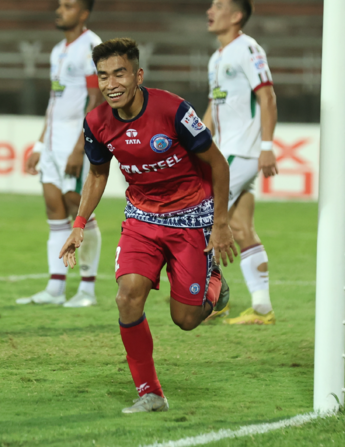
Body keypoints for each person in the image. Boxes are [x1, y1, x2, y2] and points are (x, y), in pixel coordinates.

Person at [59, 38, 237, 413]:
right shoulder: (97, 123)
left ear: (138, 75)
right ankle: (150, 393)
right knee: (127, 297)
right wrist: (78, 224)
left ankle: (213, 283)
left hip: (192, 217)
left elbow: (218, 165)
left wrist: (220, 224)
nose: (111, 84)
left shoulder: (173, 110)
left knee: (185, 320)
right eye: (103, 76)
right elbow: (96, 173)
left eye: (119, 73)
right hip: (142, 218)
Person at [19, 0, 104, 307]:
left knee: (77, 206)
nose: (60, 10)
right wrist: (40, 143)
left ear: (83, 14)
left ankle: (87, 289)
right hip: (54, 140)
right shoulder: (58, 50)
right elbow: (54, 103)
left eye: (68, 6)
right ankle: (55, 288)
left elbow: (97, 100)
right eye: (59, 4)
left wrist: (81, 146)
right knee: (54, 208)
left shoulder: (92, 47)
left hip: (76, 138)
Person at [203, 0, 278, 325]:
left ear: (236, 16)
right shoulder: (217, 57)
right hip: (226, 149)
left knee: (203, 216)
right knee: (240, 226)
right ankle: (262, 308)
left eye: (218, 6)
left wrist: (266, 146)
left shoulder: (248, 48)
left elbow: (267, 96)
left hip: (241, 151)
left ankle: (215, 299)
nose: (210, 10)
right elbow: (214, 107)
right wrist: (196, 141)